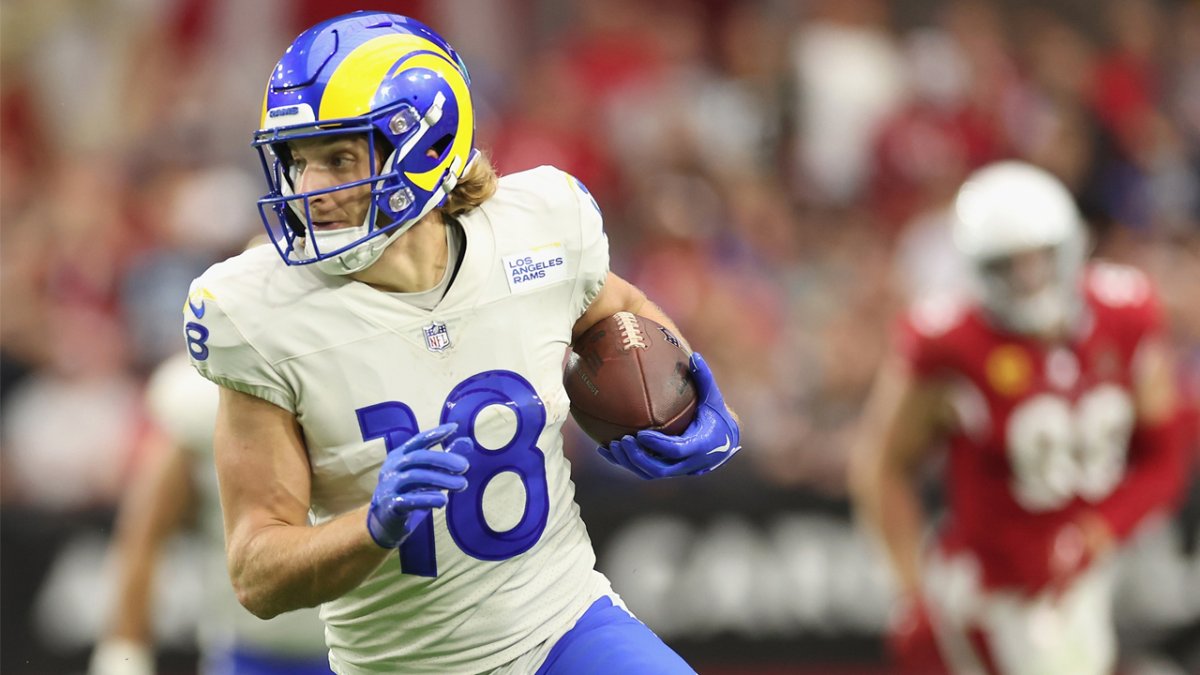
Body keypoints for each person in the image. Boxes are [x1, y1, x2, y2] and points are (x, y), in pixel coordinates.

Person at [182, 11, 740, 675]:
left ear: (423, 146)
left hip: (564, 626)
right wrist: (372, 524)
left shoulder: (535, 229)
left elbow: (621, 309)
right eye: (298, 159)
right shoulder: (260, 310)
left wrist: (692, 397)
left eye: (338, 158)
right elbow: (256, 570)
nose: (309, 189)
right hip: (406, 663)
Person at [849, 160, 1187, 675]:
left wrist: (1098, 531)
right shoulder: (951, 344)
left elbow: (1166, 454)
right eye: (1010, 266)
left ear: (1073, 248)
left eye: (1042, 259)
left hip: (1105, 572)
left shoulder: (1127, 314)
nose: (1030, 281)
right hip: (991, 591)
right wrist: (910, 588)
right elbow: (881, 464)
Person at [89, 351, 332, 675]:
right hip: (249, 649)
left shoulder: (359, 368)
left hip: (368, 640)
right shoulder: (200, 394)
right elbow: (146, 532)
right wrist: (124, 652)